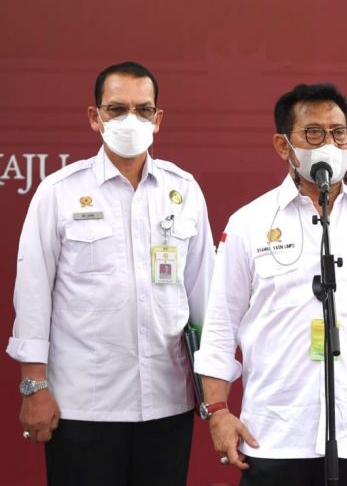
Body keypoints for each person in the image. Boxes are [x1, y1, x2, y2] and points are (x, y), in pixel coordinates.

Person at [194, 83, 347, 485]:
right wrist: (217, 412)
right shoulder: (249, 224)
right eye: (314, 133)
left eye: (339, 133)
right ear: (283, 145)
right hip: (272, 436)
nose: (330, 144)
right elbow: (218, 331)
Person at [7, 61, 215, 486]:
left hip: (167, 402)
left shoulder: (184, 191)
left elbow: (205, 300)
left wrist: (214, 397)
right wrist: (33, 388)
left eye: (142, 110)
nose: (129, 120)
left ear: (158, 120)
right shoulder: (59, 192)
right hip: (84, 405)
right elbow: (32, 296)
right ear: (94, 117)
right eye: (116, 109)